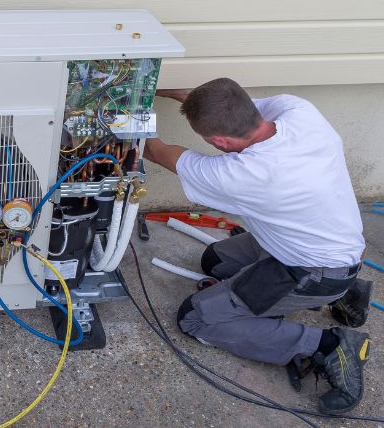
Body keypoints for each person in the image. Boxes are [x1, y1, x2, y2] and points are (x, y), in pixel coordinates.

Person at [143, 78, 373, 414]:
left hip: (312, 270)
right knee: (214, 261)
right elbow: (211, 98)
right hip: (323, 245)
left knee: (196, 318)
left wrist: (131, 107)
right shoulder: (299, 112)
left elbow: (152, 149)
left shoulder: (246, 173)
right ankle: (347, 292)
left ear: (218, 140)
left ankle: (328, 345)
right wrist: (145, 88)